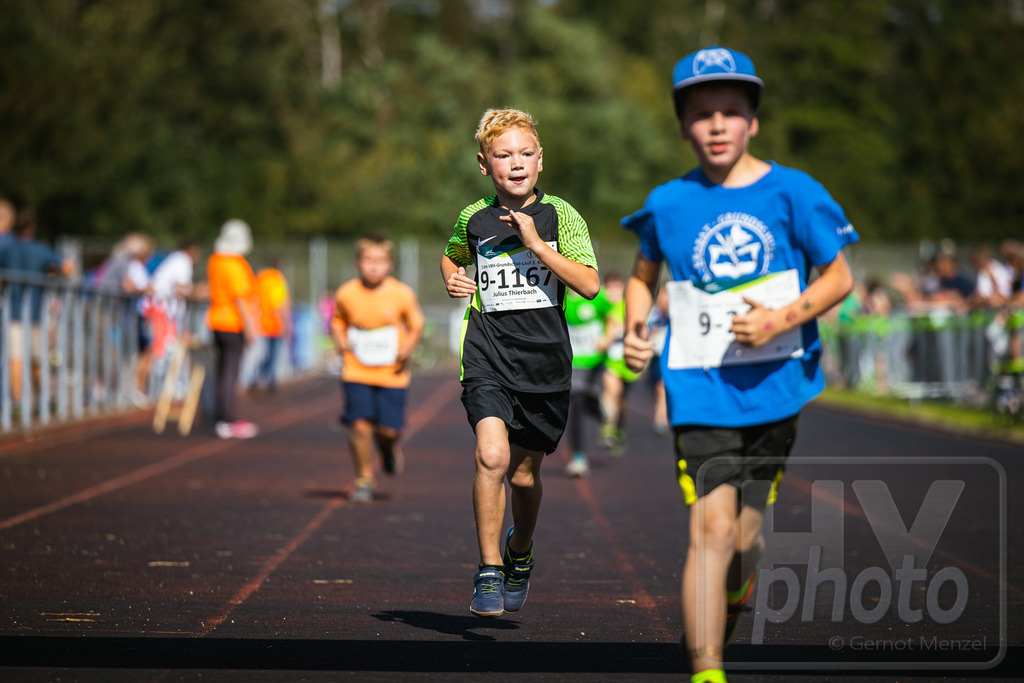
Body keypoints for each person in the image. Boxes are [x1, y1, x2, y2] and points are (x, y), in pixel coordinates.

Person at [620, 47, 857, 683]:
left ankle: (733, 594)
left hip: (778, 389)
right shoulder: (668, 203)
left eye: (730, 111)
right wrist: (633, 330)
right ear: (683, 127)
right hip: (700, 390)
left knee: (745, 540)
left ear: (753, 121)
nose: (717, 125)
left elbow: (839, 277)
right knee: (711, 527)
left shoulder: (795, 192)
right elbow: (642, 278)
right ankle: (705, 670)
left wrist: (780, 320)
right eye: (702, 114)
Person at [441, 108, 599, 617]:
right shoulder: (474, 217)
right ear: (484, 164)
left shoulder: (562, 216)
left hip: (544, 364)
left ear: (540, 161)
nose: (516, 163)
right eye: (503, 155)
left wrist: (535, 243)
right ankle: (488, 571)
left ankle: (520, 552)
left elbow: (590, 285)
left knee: (525, 478)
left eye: (525, 153)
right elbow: (452, 254)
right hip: (488, 351)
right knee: (492, 457)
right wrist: (451, 276)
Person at [331, 233, 424, 503]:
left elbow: (416, 324)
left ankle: (388, 448)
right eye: (368, 260)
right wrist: (340, 339)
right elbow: (337, 321)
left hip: (391, 372)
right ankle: (363, 479)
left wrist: (408, 346)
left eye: (380, 261)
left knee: (388, 430)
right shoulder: (346, 293)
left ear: (390, 264)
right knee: (359, 426)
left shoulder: (401, 293)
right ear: (357, 262)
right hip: (356, 369)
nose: (374, 266)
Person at [0, 208, 75, 406]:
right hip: (35, 312)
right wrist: (53, 273)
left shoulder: (7, 250)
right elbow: (68, 267)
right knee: (37, 359)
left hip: (12, 312)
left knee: (15, 358)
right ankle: (42, 399)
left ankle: (16, 404)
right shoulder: (42, 250)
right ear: (33, 228)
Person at [206, 219, 259, 439]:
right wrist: (250, 327)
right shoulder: (235, 263)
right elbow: (240, 298)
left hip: (216, 319)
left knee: (223, 371)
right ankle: (226, 419)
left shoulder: (215, 260)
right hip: (232, 322)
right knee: (230, 372)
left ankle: (223, 418)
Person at [563, 282, 614, 477]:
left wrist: (607, 339)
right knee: (575, 403)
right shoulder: (562, 299)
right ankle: (578, 456)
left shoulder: (597, 297)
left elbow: (613, 320)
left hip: (595, 362)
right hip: (573, 362)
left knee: (589, 401)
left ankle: (601, 412)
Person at [597, 270, 642, 456]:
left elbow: (640, 327)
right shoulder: (601, 306)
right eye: (610, 289)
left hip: (627, 362)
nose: (614, 293)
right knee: (611, 392)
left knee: (622, 402)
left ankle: (618, 430)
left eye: (617, 289)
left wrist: (622, 329)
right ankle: (607, 427)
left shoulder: (628, 307)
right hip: (608, 361)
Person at [251, 255, 292, 395]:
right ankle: (270, 382)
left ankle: (259, 378)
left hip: (260, 323)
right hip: (275, 323)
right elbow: (281, 303)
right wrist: (287, 324)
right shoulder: (277, 279)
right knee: (273, 355)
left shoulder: (260, 278)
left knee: (264, 354)